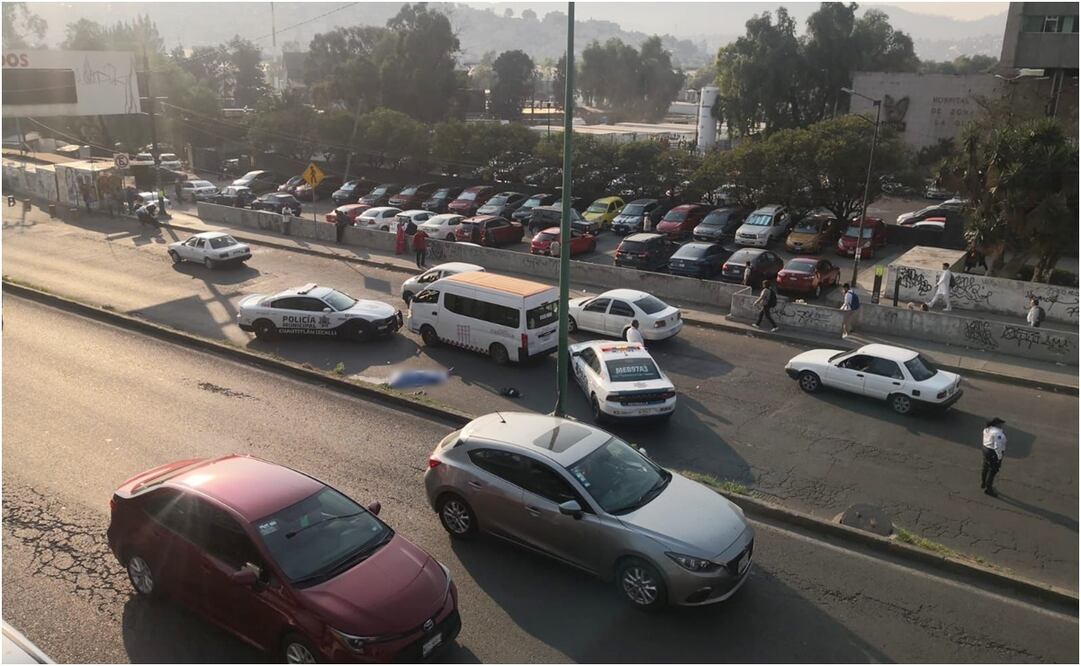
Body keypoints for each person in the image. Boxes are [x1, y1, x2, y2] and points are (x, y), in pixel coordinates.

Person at [981, 417, 1007, 497]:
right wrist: (999, 457)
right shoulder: (998, 434)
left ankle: (983, 483)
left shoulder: (986, 429)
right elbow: (997, 447)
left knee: (985, 467)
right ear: (998, 424)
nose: (1002, 425)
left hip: (985, 450)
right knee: (992, 471)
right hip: (993, 453)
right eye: (1001, 424)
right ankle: (989, 489)